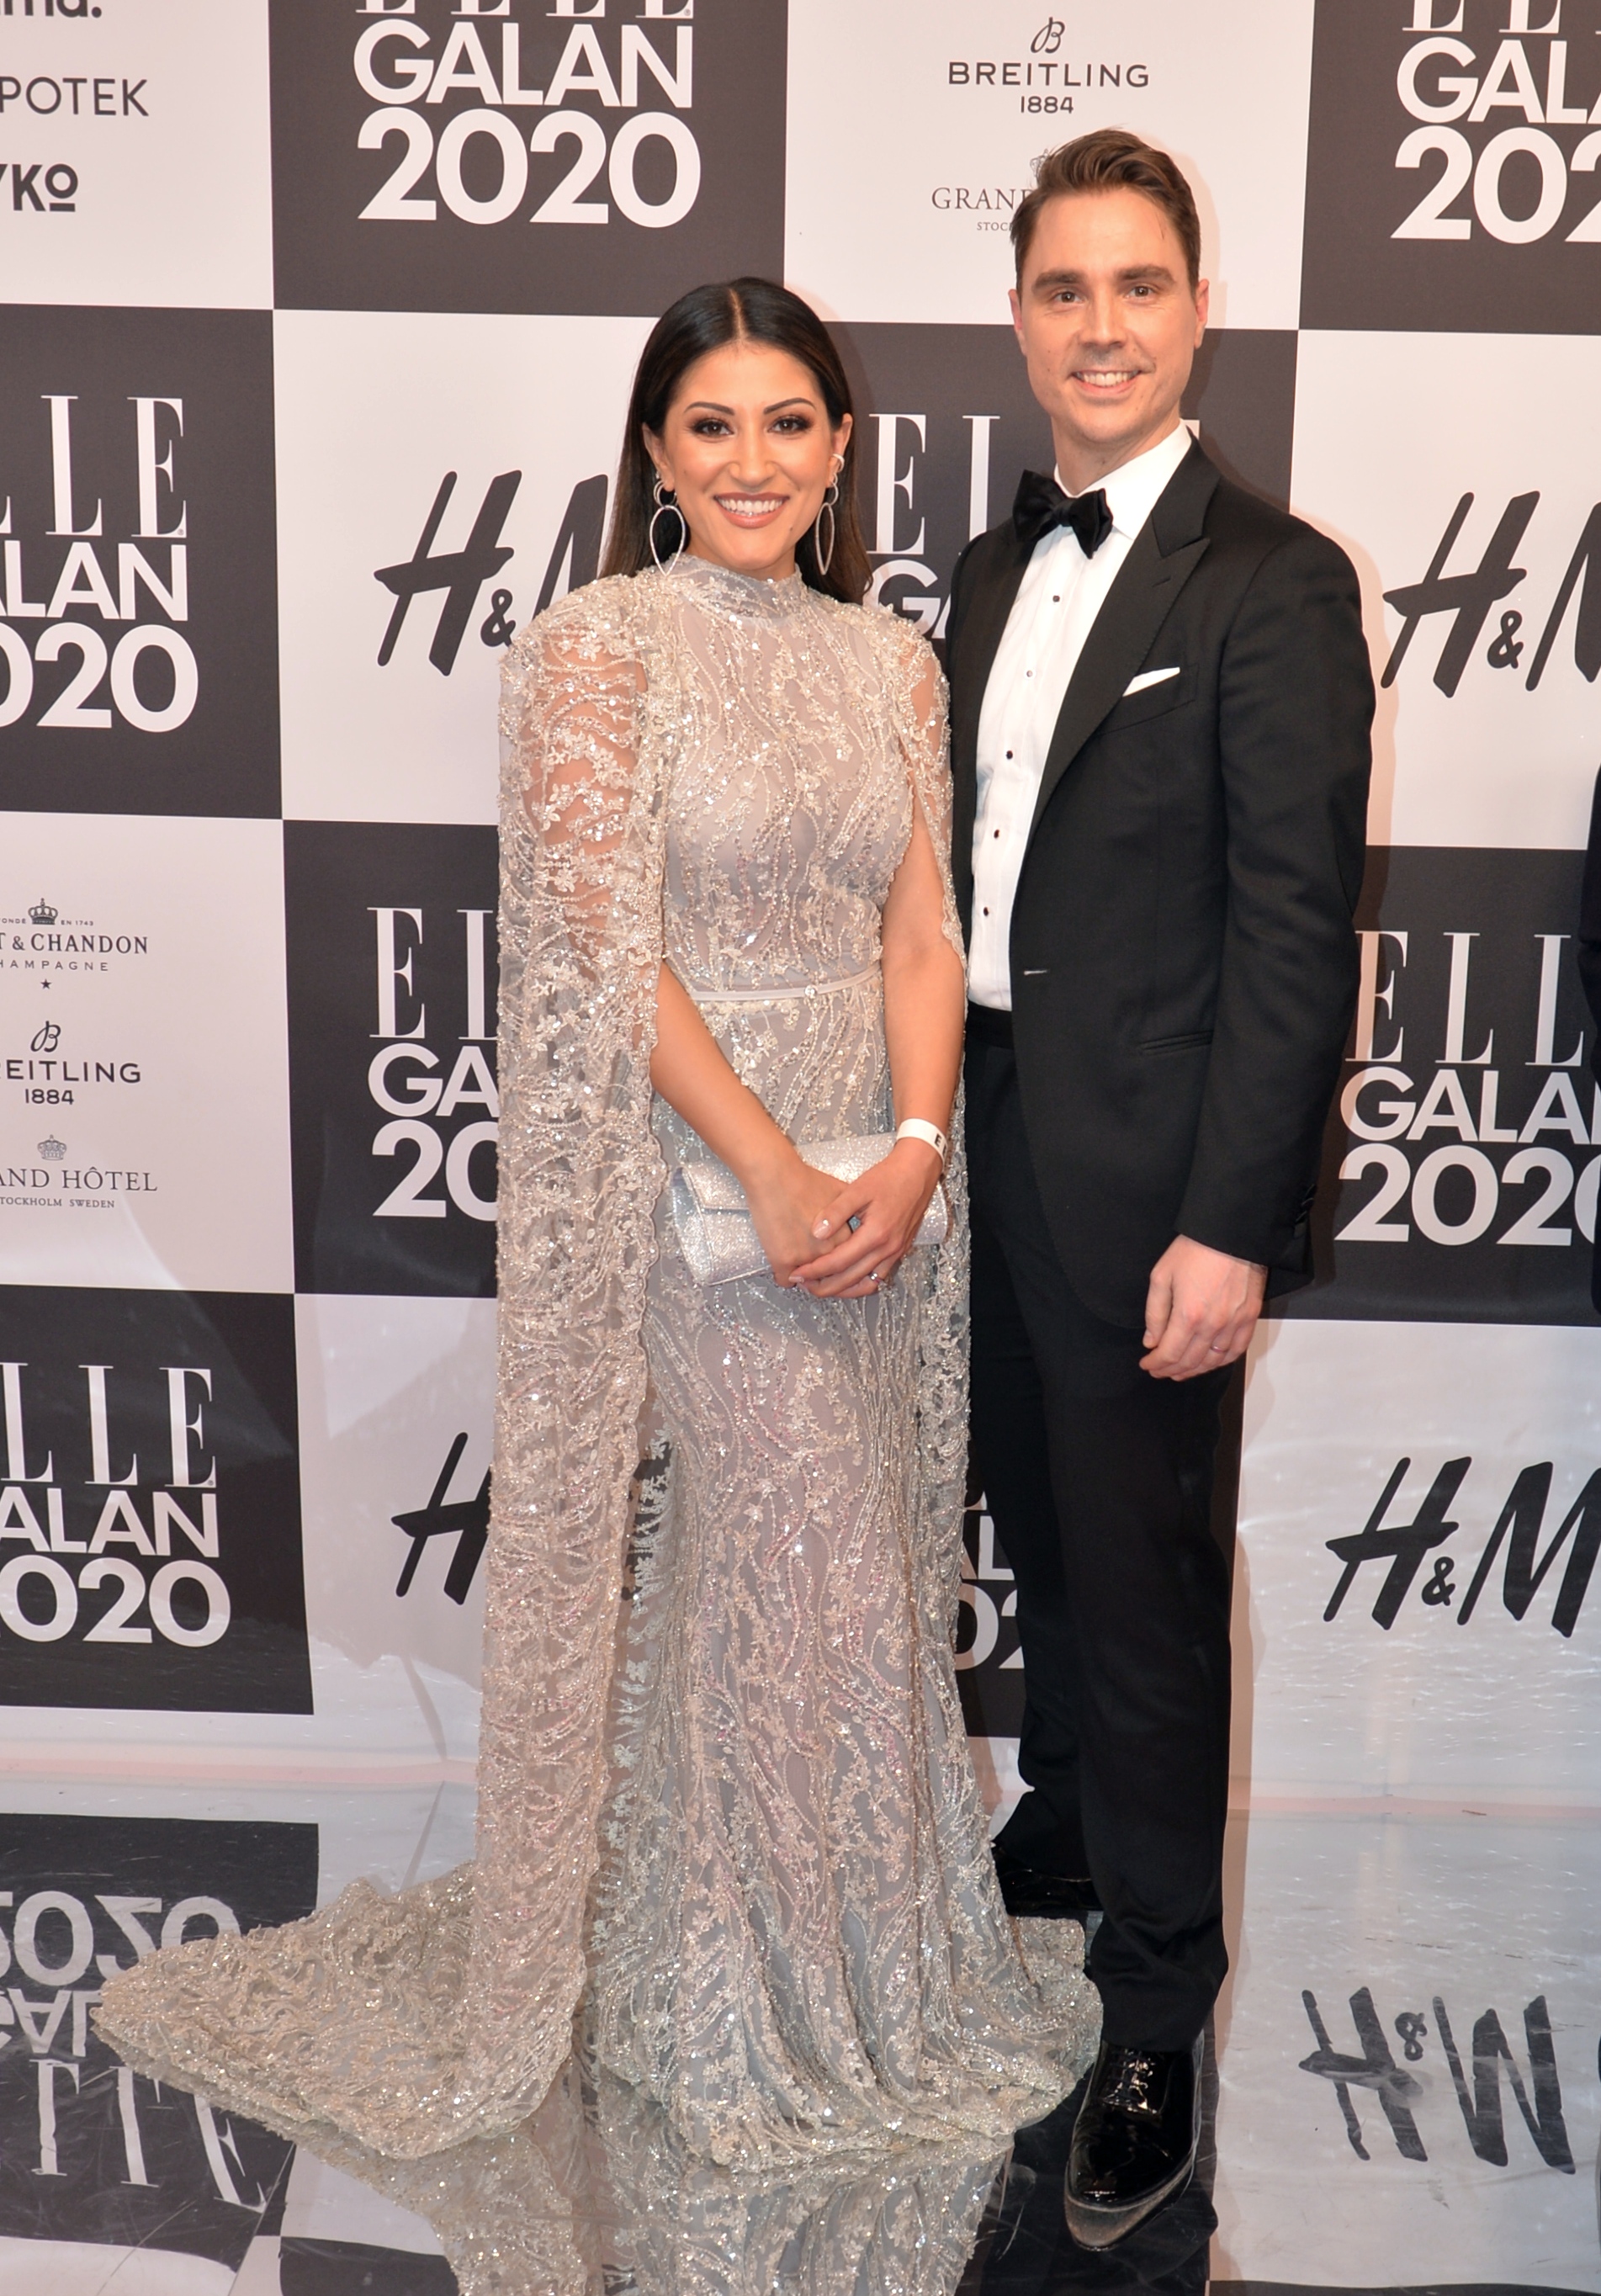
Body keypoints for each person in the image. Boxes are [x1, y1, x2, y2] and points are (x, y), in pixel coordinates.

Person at [97, 278, 1087, 2166]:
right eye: (710, 425)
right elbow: (600, 947)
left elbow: (921, 933)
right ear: (652, 451)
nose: (751, 463)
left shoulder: (891, 662)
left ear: (840, 447)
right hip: (697, 1187)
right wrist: (774, 1171)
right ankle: (747, 2011)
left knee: (834, 1577)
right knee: (802, 1558)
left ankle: (772, 1970)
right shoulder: (592, 650)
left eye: (787, 423)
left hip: (881, 1183)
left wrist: (909, 1147)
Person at [946, 132, 1373, 2246]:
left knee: (1144, 1598)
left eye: (1136, 287)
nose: (1099, 327)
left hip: (1150, 1190)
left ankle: (1152, 2023)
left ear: (1197, 310)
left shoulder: (1271, 580)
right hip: (972, 1147)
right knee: (1035, 1525)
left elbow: (1296, 933)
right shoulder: (978, 572)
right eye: (1063, 289)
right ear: (1018, 316)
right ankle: (1067, 1824)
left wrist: (1231, 1226)